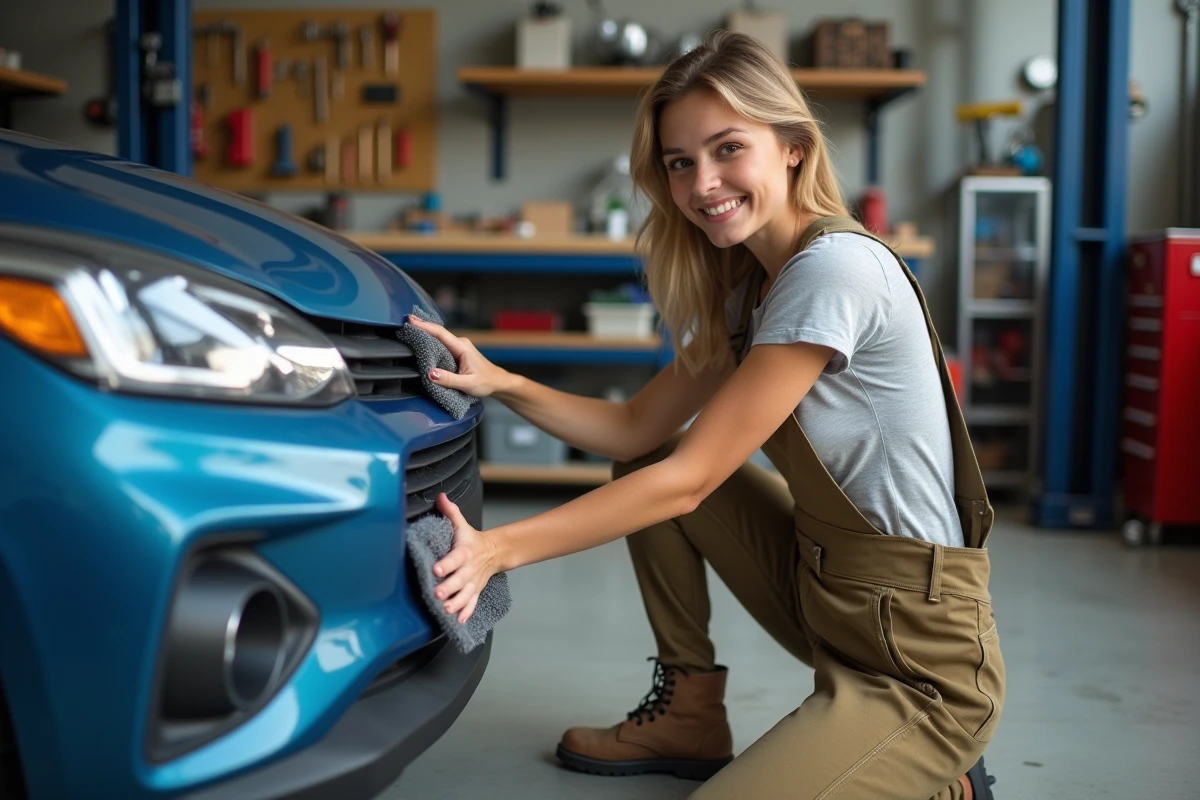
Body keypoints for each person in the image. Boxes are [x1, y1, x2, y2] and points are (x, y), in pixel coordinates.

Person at [407, 30, 1003, 800]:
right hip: (829, 597)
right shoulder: (752, 287)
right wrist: (502, 382)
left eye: (728, 149)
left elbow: (690, 483)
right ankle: (690, 712)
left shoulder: (835, 272)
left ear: (791, 146)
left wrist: (496, 550)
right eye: (681, 162)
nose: (702, 183)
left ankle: (931, 765)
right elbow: (634, 433)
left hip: (920, 658)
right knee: (648, 460)